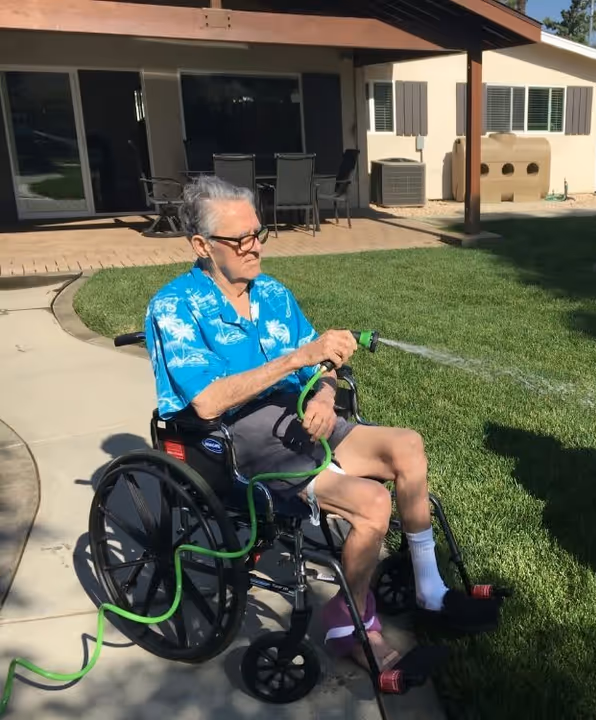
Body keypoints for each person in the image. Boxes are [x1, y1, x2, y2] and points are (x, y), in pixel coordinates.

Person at [144, 176, 495, 669]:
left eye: (257, 234)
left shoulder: (273, 294)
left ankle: (429, 589)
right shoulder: (175, 307)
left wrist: (327, 393)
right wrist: (297, 361)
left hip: (302, 418)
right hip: (239, 437)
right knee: (372, 502)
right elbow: (206, 403)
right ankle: (346, 621)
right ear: (201, 246)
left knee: (407, 446)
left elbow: (322, 365)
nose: (253, 249)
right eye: (239, 239)